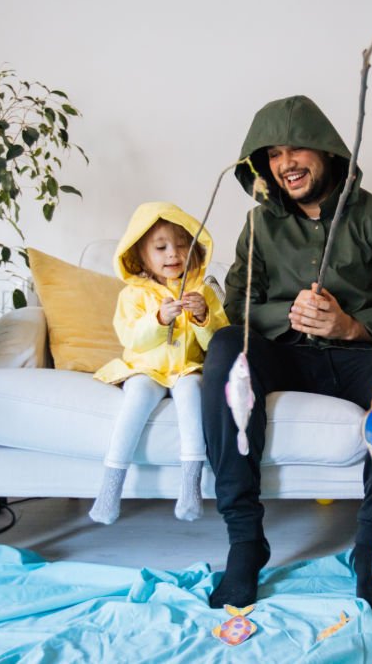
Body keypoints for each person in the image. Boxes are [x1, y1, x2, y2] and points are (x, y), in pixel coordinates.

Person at [202, 95, 372, 614]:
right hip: (285, 357)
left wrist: (350, 325)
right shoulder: (258, 226)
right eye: (275, 154)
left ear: (327, 151)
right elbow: (237, 306)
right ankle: (244, 544)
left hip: (356, 358)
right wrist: (290, 315)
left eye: (297, 148)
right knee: (224, 346)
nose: (287, 163)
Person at [91, 202, 229, 524]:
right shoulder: (133, 295)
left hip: (187, 370)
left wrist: (201, 316)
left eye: (182, 246)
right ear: (141, 256)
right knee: (136, 398)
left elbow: (217, 344)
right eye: (161, 247)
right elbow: (131, 339)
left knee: (193, 395)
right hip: (146, 369)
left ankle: (190, 487)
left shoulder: (202, 291)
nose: (173, 254)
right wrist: (157, 319)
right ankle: (110, 490)